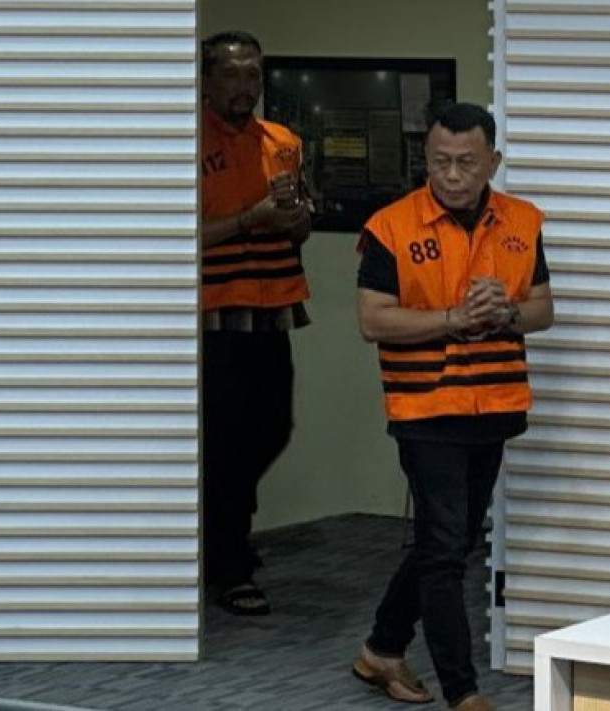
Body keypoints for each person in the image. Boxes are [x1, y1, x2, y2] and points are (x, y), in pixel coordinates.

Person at [350, 102, 553, 711]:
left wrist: (506, 312)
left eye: (467, 162)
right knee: (443, 551)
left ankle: (382, 648)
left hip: (494, 405)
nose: (454, 176)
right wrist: (453, 320)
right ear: (426, 159)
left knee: (453, 540)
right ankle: (463, 692)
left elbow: (542, 309)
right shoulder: (390, 227)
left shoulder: (523, 221)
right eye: (440, 162)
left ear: (494, 161)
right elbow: (372, 320)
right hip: (426, 408)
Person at [199, 30, 311, 616]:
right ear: (206, 80)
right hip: (215, 310)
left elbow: (300, 227)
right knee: (223, 440)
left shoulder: (283, 141)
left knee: (272, 429)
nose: (245, 86)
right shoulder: (185, 139)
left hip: (274, 306)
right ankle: (229, 564)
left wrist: (294, 217)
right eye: (232, 74)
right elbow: (175, 235)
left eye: (253, 75)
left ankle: (224, 533)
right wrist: (250, 218)